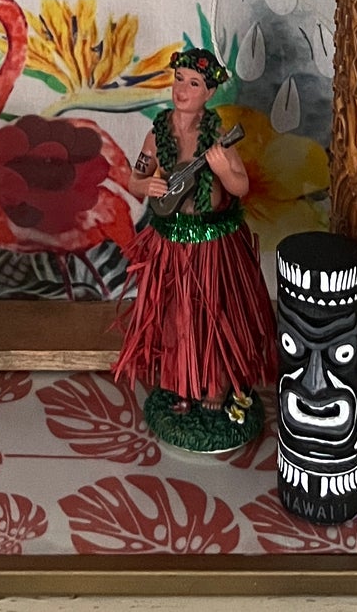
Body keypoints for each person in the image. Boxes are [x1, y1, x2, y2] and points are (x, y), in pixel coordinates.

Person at [112, 46, 276, 437]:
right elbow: (133, 179)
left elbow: (240, 186)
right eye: (179, 79)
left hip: (213, 243)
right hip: (169, 243)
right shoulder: (158, 134)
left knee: (213, 314)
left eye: (194, 83)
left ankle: (216, 385)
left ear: (208, 93)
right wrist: (145, 184)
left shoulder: (218, 136)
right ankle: (181, 384)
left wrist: (222, 169)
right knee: (175, 316)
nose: (182, 89)